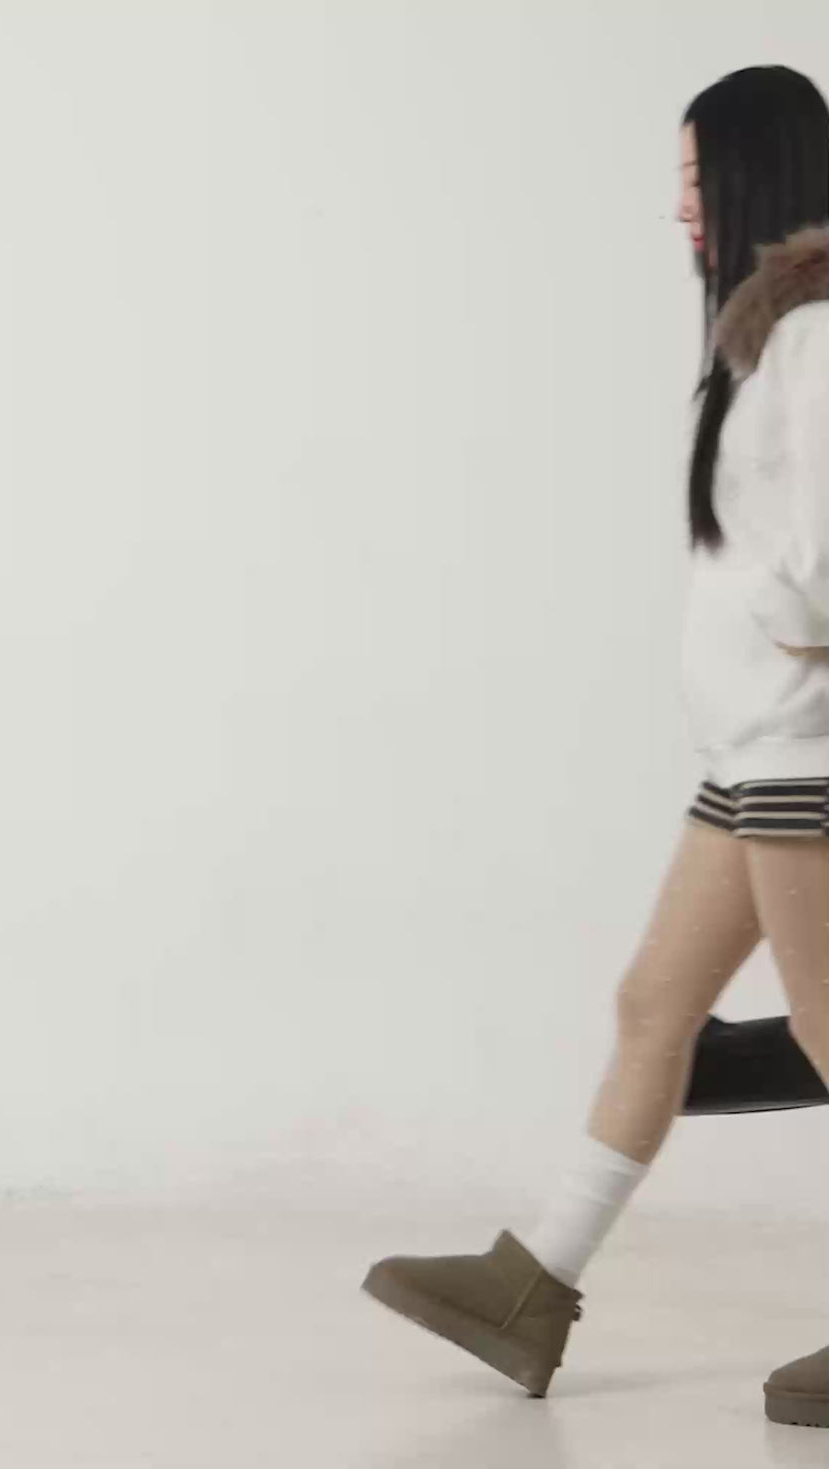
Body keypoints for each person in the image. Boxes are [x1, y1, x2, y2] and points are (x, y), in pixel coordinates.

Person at [360, 64, 829, 1430]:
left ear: (757, 169)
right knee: (653, 1008)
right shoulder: (765, 337)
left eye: (695, 176)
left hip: (805, 750)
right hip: (754, 752)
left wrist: (785, 623)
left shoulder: (816, 333)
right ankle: (530, 1290)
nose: (680, 205)